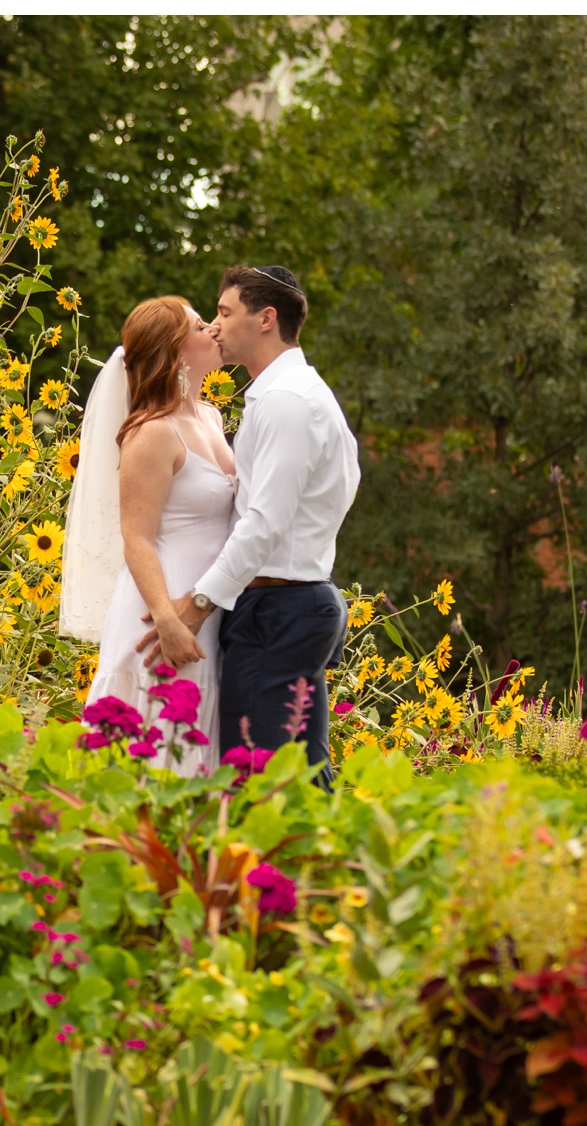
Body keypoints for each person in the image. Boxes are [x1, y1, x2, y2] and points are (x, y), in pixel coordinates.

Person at [137, 265, 359, 778]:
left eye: (224, 311)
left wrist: (199, 603)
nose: (215, 325)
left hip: (277, 611)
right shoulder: (293, 393)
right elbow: (347, 480)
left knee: (257, 778)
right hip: (291, 602)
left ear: (266, 319)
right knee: (301, 777)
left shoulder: (286, 402)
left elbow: (265, 521)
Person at [55, 296, 238, 775]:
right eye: (200, 325)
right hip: (160, 608)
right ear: (176, 353)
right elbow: (136, 536)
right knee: (148, 747)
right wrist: (166, 616)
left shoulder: (212, 418)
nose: (214, 329)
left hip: (205, 607)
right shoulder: (152, 432)